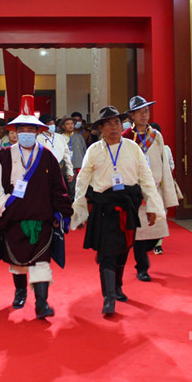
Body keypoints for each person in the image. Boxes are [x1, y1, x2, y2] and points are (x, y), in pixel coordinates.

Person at [71, 106, 165, 316]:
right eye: (108, 124)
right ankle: (109, 297)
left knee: (123, 250)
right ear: (101, 128)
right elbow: (82, 180)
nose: (113, 127)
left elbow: (146, 178)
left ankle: (118, 286)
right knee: (107, 253)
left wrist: (153, 205)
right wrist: (79, 209)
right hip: (104, 208)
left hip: (128, 206)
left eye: (116, 123)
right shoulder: (94, 150)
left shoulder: (133, 148)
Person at [0, 95, 73, 319]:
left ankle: (41, 303)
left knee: (41, 263)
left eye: (30, 129)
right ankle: (20, 292)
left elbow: (59, 188)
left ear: (37, 132)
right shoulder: (4, 156)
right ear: (15, 131)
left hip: (42, 218)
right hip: (13, 218)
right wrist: (0, 209)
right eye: (22, 129)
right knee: (17, 262)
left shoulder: (47, 157)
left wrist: (62, 212)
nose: (26, 133)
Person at [122, 96, 179, 281]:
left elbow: (164, 163)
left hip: (154, 189)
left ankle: (145, 250)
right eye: (139, 112)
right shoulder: (126, 137)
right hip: (136, 192)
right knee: (140, 233)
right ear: (132, 115)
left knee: (156, 232)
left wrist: (168, 191)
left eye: (146, 111)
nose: (144, 115)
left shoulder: (156, 135)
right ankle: (142, 268)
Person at [149, 122, 184, 255]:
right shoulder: (139, 147)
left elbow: (171, 165)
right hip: (145, 187)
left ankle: (158, 243)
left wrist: (164, 170)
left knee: (161, 214)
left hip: (161, 185)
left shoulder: (165, 148)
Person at [37, 114, 74, 185]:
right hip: (45, 170)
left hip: (60, 169)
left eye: (53, 123)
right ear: (43, 126)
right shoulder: (38, 139)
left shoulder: (60, 137)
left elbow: (67, 155)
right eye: (49, 124)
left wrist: (70, 171)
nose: (52, 125)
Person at [59, 115, 87, 200]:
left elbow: (84, 151)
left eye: (72, 124)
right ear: (63, 126)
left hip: (78, 166)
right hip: (65, 168)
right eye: (68, 124)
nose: (70, 126)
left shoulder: (79, 137)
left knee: (77, 189)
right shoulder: (60, 138)